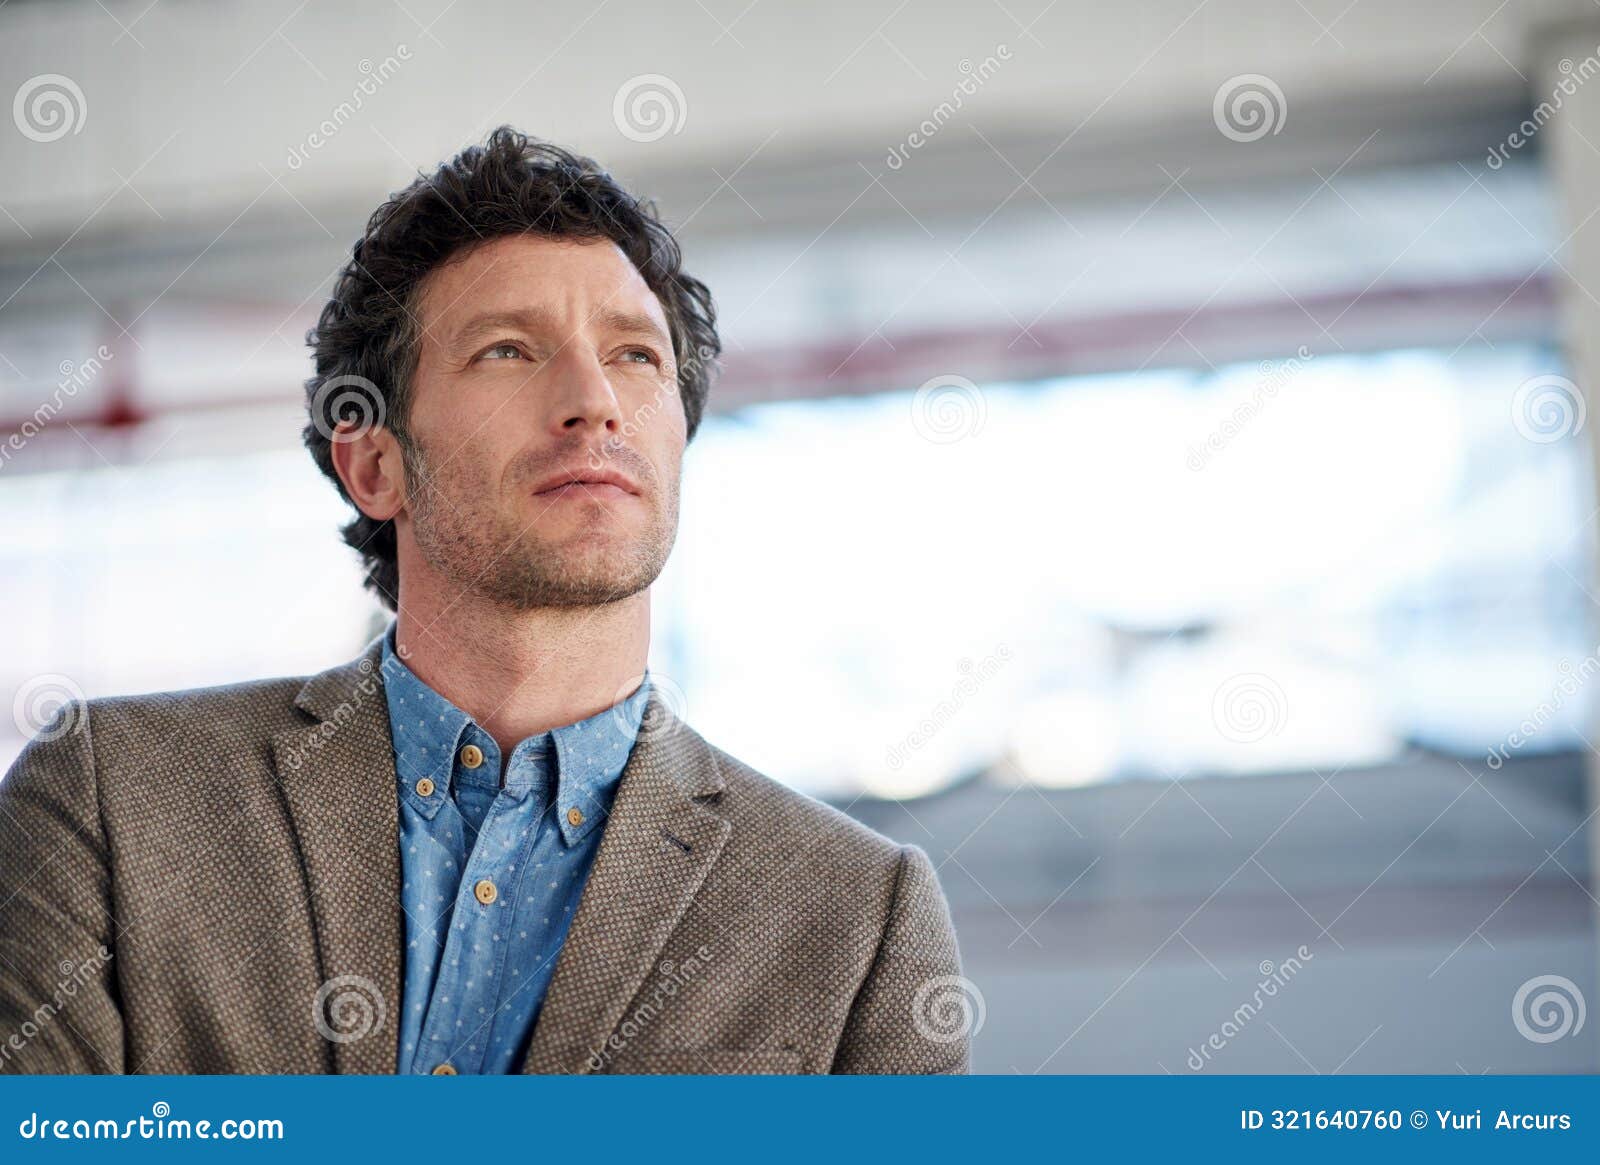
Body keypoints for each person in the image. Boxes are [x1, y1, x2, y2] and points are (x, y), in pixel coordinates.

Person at [0, 127, 967, 1075]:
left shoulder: (856, 917)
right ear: (376, 466)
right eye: (508, 350)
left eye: (636, 355)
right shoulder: (110, 804)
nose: (595, 400)